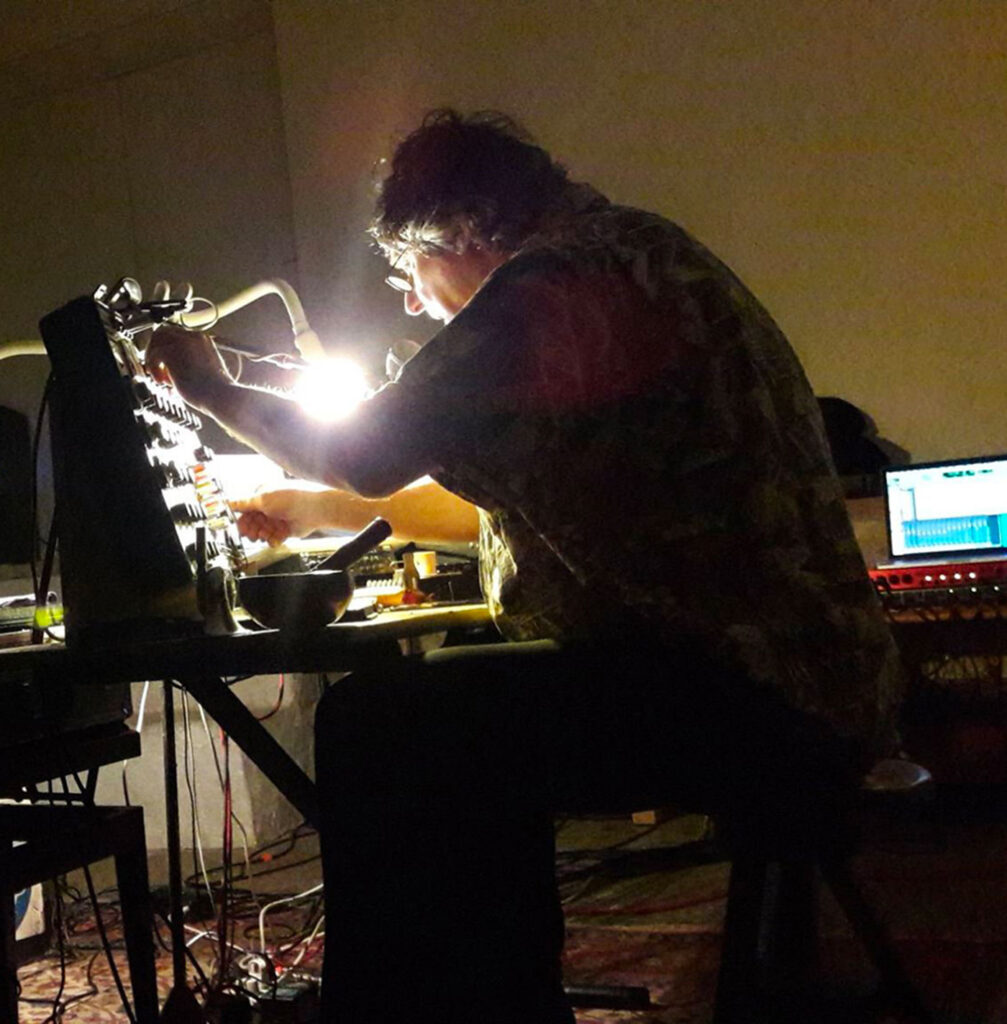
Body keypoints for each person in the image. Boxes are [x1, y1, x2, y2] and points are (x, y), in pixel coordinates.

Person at [146, 109, 904, 1023]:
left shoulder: (557, 281)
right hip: (799, 679)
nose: (413, 303)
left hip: (751, 695)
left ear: (459, 232)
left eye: (408, 272)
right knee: (445, 709)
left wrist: (208, 384)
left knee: (385, 725)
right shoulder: (637, 253)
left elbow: (366, 450)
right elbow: (485, 506)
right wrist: (315, 508)